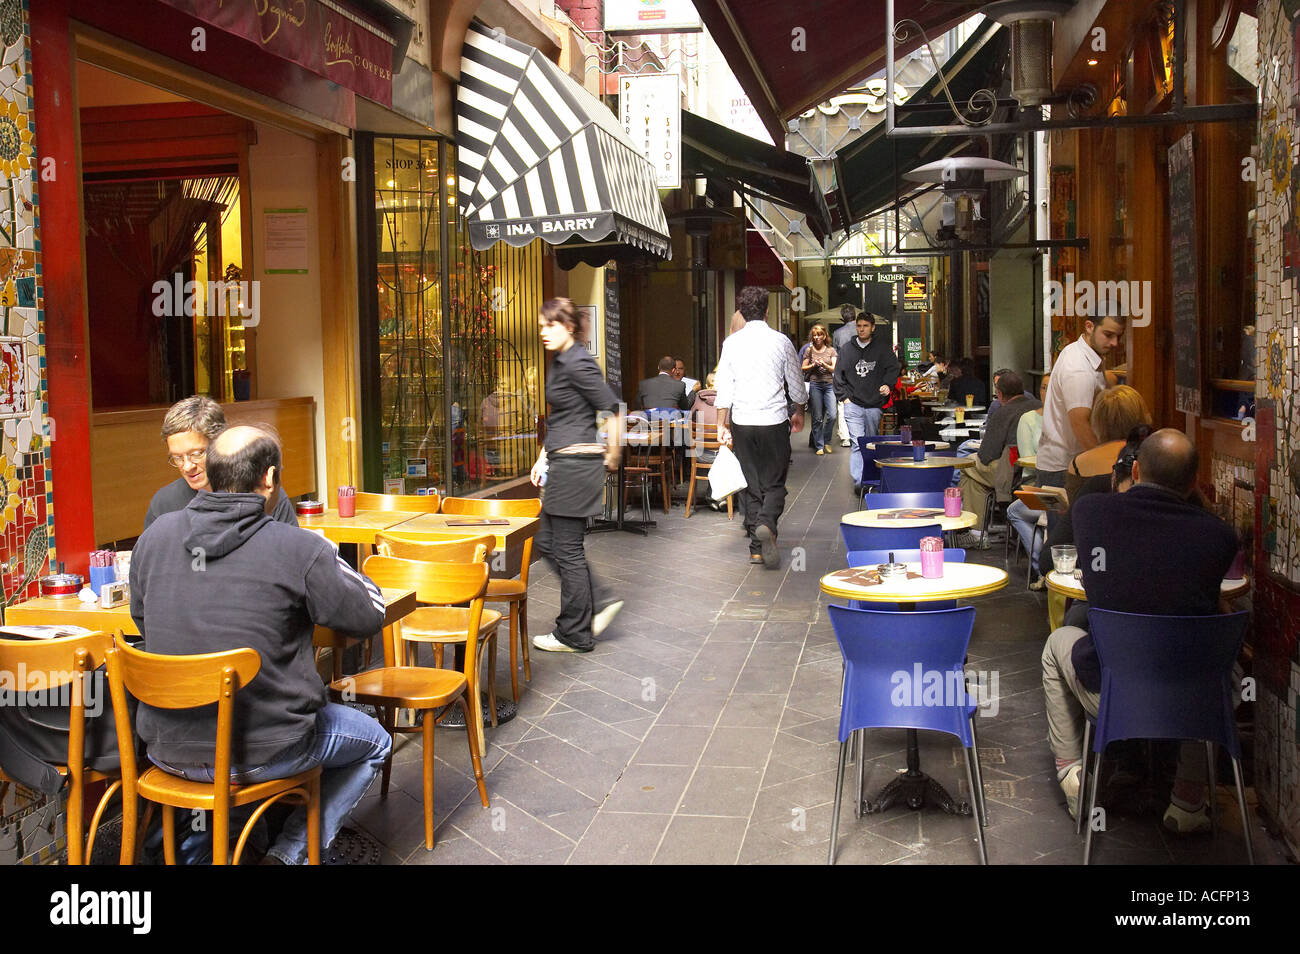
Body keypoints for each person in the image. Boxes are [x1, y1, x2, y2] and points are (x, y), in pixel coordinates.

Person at [129, 425, 391, 865]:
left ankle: (226, 843)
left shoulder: (154, 538)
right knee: (375, 741)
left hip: (167, 749)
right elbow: (367, 614)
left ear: (210, 472)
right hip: (264, 751)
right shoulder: (297, 547)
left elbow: (142, 618)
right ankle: (288, 855)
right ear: (269, 478)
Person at [1041, 429, 1237, 830]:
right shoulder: (1219, 538)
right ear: (1195, 482)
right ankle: (1187, 798)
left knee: (1057, 642)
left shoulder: (1091, 512)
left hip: (1113, 695)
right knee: (1220, 664)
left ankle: (1072, 774)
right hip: (1193, 702)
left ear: (1134, 469)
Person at [529, 298, 625, 652]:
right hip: (562, 462)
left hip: (576, 467)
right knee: (547, 543)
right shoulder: (560, 361)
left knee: (566, 550)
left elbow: (613, 410)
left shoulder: (579, 363)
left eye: (550, 325)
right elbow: (560, 420)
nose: (543, 331)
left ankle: (574, 633)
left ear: (568, 327)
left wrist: (612, 455)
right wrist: (543, 458)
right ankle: (597, 602)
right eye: (541, 325)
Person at [715, 286, 807, 568]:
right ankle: (767, 523)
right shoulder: (781, 341)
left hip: (742, 422)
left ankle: (756, 549)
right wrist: (799, 410)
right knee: (775, 482)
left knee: (752, 485)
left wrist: (722, 423)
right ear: (767, 310)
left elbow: (724, 387)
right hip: (773, 421)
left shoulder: (731, 343)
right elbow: (795, 382)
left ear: (741, 312)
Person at [1034, 386, 1152, 580]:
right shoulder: (1154, 460)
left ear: (1097, 421)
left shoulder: (1079, 464)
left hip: (1093, 564)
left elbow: (1068, 532)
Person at [144, 395, 297, 530]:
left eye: (196, 454)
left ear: (220, 444)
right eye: (177, 458)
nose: (187, 466)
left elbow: (289, 552)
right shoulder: (163, 503)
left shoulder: (262, 491)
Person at [1036, 311, 1126, 490]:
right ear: (1089, 327)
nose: (1115, 343)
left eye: (1119, 336)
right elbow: (1080, 423)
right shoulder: (1079, 368)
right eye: (1108, 335)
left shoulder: (1081, 352)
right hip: (1064, 468)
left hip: (1065, 464)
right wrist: (1107, 465)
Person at [956, 371, 1041, 546]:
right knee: (974, 481)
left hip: (1013, 472)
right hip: (1039, 469)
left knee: (967, 465)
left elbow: (986, 454)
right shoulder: (1039, 406)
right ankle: (976, 533)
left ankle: (976, 533)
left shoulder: (1003, 413)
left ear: (999, 394)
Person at [833, 311, 899, 487]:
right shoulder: (847, 349)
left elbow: (893, 368)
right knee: (857, 442)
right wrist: (844, 399)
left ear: (873, 328)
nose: (861, 329)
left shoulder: (882, 348)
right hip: (852, 403)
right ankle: (860, 480)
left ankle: (870, 476)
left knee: (871, 442)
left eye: (865, 326)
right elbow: (838, 375)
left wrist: (887, 385)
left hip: (874, 404)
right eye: (859, 326)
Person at [802, 324, 838, 456]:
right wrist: (813, 365)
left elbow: (834, 369)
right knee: (817, 417)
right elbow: (803, 368)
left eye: (819, 335)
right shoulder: (809, 350)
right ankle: (819, 445)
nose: (817, 337)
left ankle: (827, 440)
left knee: (833, 415)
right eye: (814, 335)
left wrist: (824, 364)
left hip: (829, 384)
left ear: (824, 336)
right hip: (815, 384)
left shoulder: (831, 350)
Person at [831, 304, 858, 447]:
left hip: (843, 373)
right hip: (861, 372)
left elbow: (835, 356)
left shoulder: (837, 333)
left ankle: (846, 436)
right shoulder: (862, 330)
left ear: (842, 317)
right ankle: (859, 433)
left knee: (843, 404)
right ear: (855, 315)